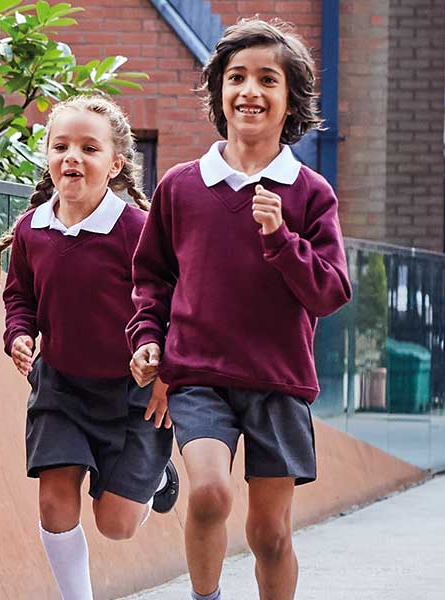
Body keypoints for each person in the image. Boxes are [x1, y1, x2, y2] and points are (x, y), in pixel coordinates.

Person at [128, 18, 353, 600]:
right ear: (219, 93)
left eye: (267, 79)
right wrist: (147, 337)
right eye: (236, 77)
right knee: (208, 496)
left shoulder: (310, 193)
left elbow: (330, 291)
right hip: (199, 375)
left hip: (279, 383)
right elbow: (152, 278)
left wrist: (282, 241)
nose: (250, 90)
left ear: (290, 101)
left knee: (270, 534)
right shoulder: (180, 186)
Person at [0, 95, 180, 600]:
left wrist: (164, 367)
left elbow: (172, 302)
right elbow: (20, 296)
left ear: (115, 164)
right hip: (61, 389)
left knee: (116, 524)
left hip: (131, 396)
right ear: (48, 156)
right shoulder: (32, 231)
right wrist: (19, 334)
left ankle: (158, 479)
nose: (72, 156)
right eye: (61, 145)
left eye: (89, 147)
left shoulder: (138, 231)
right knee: (54, 502)